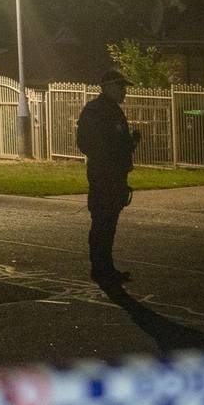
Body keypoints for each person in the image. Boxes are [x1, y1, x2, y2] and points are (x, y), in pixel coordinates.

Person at [76, 70, 142, 284]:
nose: (124, 92)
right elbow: (88, 144)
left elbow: (119, 145)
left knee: (109, 223)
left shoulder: (112, 111)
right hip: (104, 175)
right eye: (121, 87)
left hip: (115, 175)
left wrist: (130, 143)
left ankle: (106, 267)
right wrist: (110, 158)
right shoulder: (96, 111)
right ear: (108, 87)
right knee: (102, 223)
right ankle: (100, 269)